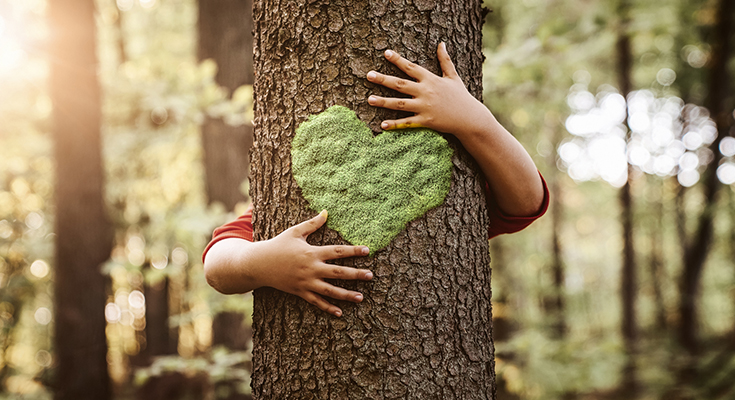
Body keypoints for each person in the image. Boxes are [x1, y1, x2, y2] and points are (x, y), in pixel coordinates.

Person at [202, 43, 549, 317]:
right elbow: (218, 264)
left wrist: (474, 120)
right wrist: (261, 263)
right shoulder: (293, 200)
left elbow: (527, 201)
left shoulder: (459, 183)